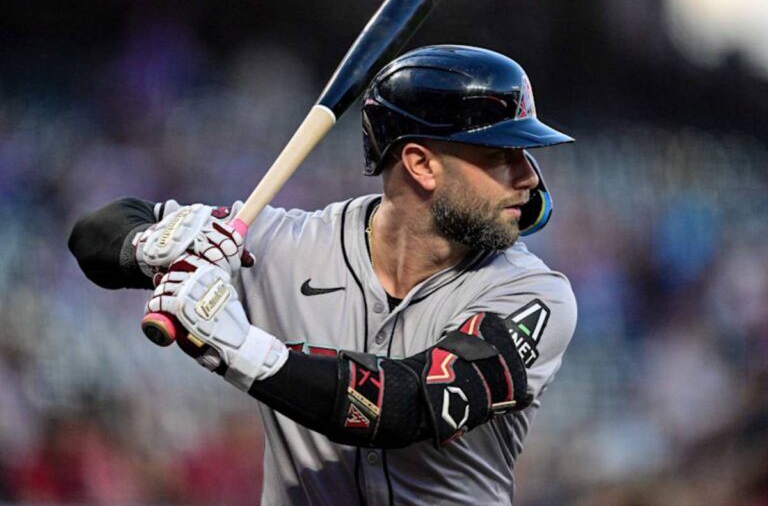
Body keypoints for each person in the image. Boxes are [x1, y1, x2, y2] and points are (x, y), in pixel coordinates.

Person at [69, 45, 577, 505]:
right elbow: (94, 235)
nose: (529, 175)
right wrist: (160, 243)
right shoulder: (283, 242)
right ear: (421, 164)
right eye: (501, 155)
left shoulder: (532, 294)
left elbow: (407, 404)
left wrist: (244, 352)